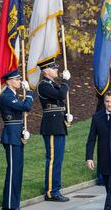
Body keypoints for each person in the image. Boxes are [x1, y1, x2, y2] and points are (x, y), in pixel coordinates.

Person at [37, 58, 73, 202]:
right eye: (53, 68)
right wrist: (66, 81)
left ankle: (55, 188)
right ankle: (51, 192)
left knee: (58, 159)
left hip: (58, 124)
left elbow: (60, 100)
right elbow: (61, 95)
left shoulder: (52, 84)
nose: (57, 70)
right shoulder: (43, 85)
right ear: (46, 71)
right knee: (53, 159)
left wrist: (66, 115)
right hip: (51, 126)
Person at [0, 69, 34, 210]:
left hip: (16, 136)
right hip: (11, 137)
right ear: (9, 81)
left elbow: (18, 115)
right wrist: (30, 92)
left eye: (20, 79)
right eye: (17, 79)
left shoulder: (13, 95)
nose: (20, 81)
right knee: (13, 172)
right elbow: (26, 107)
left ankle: (14, 204)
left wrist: (23, 131)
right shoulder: (6, 96)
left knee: (18, 172)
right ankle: (9, 206)